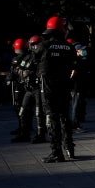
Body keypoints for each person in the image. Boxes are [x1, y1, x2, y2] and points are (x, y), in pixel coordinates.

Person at [38, 16, 77, 163]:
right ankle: (70, 148)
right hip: (65, 86)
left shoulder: (44, 46)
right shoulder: (69, 47)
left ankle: (56, 152)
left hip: (49, 87)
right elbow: (75, 64)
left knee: (52, 118)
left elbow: (35, 62)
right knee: (65, 117)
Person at [7, 39, 29, 134]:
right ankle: (26, 126)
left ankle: (23, 127)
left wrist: (9, 77)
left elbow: (14, 72)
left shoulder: (16, 59)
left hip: (19, 86)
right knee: (26, 107)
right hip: (27, 86)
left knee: (19, 107)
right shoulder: (29, 57)